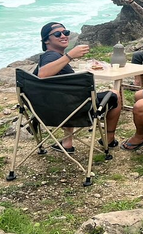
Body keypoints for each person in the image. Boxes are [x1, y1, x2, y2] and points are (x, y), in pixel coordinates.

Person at [35, 22, 122, 153]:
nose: (64, 36)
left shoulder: (51, 58)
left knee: (66, 95)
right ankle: (109, 139)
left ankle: (67, 143)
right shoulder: (51, 56)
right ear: (46, 40)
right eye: (58, 34)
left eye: (66, 32)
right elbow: (43, 74)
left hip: (49, 111)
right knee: (115, 93)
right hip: (77, 111)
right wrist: (70, 55)